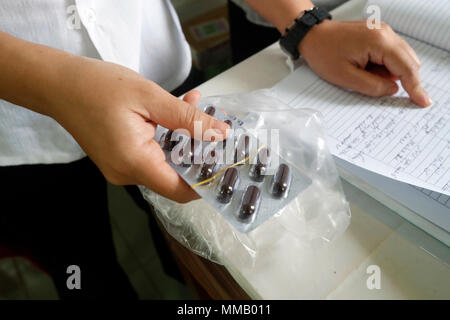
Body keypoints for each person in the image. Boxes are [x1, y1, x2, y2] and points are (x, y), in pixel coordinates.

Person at [0, 0, 431, 299]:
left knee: (182, 232)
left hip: (158, 78)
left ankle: (179, 280)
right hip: (21, 126)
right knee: (80, 267)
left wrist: (305, 26)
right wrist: (49, 82)